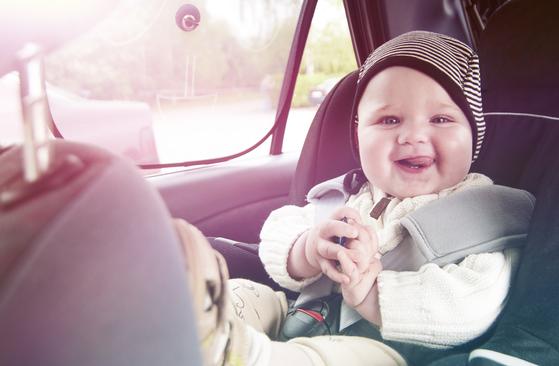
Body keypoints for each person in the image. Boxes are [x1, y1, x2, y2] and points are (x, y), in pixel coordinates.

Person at [185, 31, 533, 366]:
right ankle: (187, 320)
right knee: (243, 294)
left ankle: (234, 353)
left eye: (441, 119)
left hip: (382, 347)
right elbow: (281, 226)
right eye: (389, 119)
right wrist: (307, 248)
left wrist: (371, 292)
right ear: (358, 133)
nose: (412, 135)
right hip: (303, 312)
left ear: (473, 133)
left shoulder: (484, 215)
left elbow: (473, 303)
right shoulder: (352, 193)